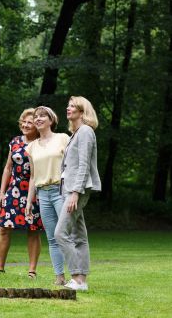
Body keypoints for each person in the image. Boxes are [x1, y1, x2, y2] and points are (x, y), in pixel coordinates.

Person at [56, 96, 102, 291]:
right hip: (70, 189)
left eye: (73, 106)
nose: (68, 108)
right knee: (79, 235)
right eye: (68, 105)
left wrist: (75, 192)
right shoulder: (77, 133)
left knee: (60, 233)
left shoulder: (85, 132)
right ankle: (81, 281)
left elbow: (84, 164)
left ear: (83, 112)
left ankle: (76, 278)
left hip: (76, 189)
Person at [25, 105, 70, 286]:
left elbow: (71, 165)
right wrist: (30, 201)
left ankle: (77, 275)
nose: (38, 118)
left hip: (61, 191)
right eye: (36, 116)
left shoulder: (63, 139)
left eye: (43, 116)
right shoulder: (31, 147)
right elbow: (33, 176)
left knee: (66, 234)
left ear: (51, 120)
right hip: (43, 194)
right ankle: (59, 277)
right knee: (52, 238)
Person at [0, 108, 43, 278]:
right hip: (13, 190)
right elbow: (8, 168)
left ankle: (32, 270)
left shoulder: (41, 143)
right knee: (4, 228)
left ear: (37, 126)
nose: (25, 124)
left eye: (29, 122)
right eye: (23, 121)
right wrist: (2, 193)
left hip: (34, 190)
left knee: (33, 229)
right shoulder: (15, 141)